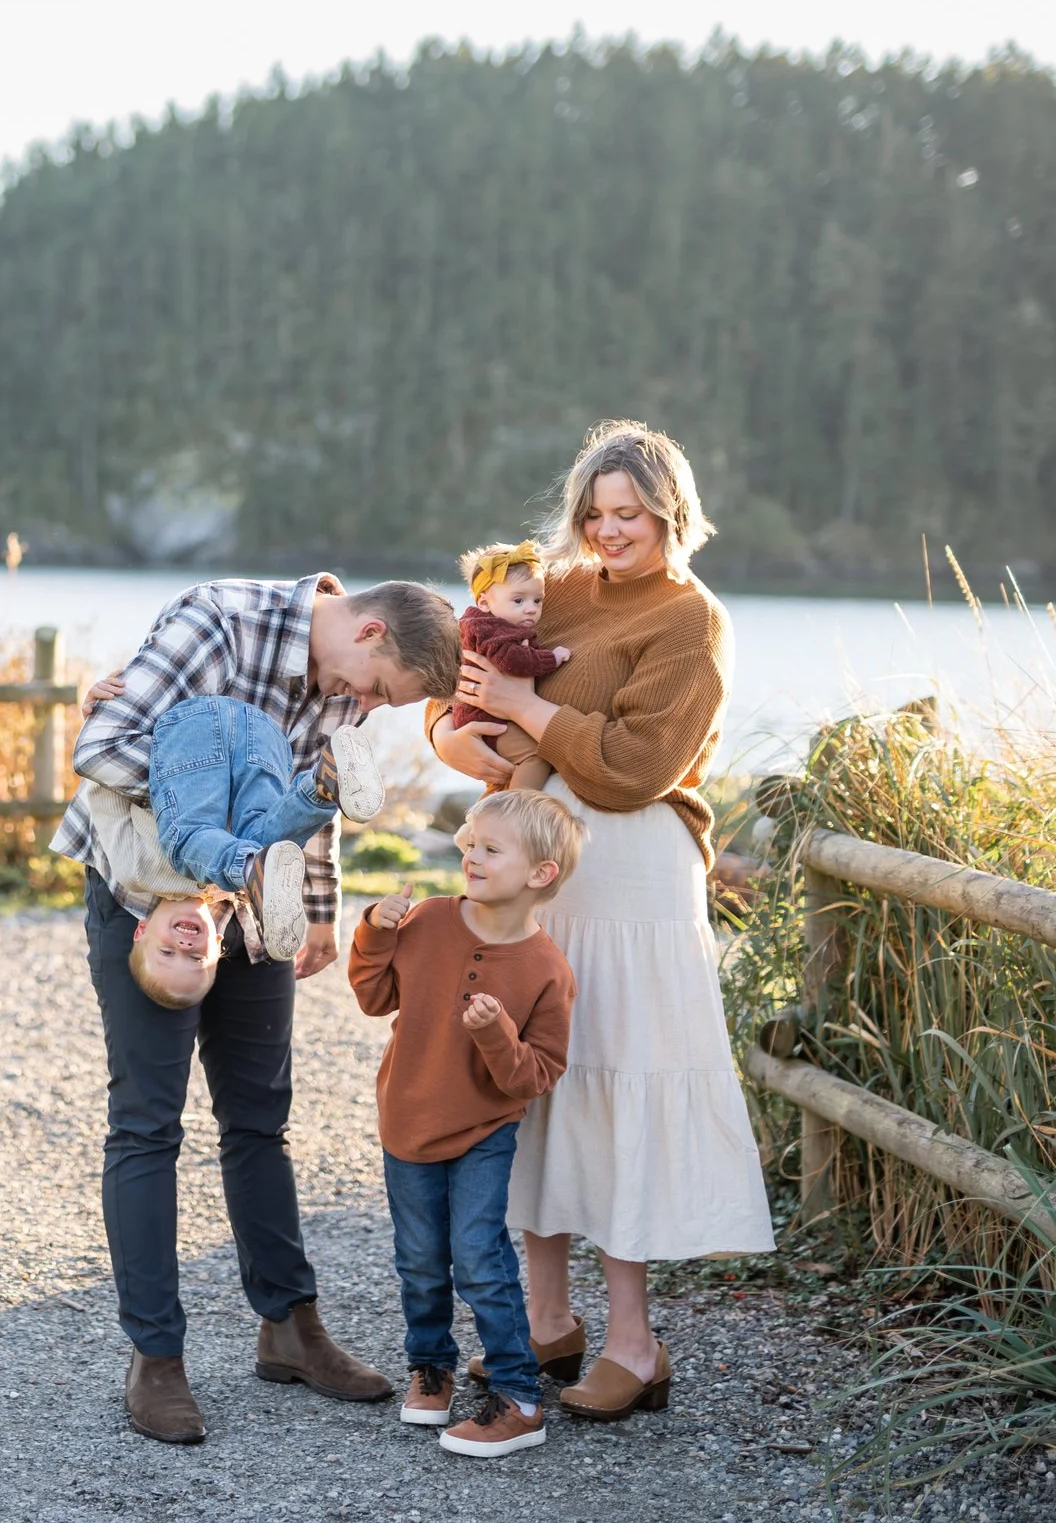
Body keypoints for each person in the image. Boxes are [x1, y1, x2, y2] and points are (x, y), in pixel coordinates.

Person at [54, 574, 462, 1444]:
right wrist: (210, 790)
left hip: (260, 910)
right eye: (379, 690)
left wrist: (319, 905)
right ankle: (155, 1357)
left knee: (260, 1121)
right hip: (151, 903)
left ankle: (289, 1327)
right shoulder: (223, 622)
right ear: (373, 631)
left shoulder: (342, 678)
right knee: (146, 1124)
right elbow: (101, 744)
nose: (368, 705)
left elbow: (318, 799)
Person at [430, 420, 775, 1423]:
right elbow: (463, 690)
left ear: (672, 512)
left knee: (616, 1087)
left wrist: (528, 715)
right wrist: (473, 744)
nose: (610, 529)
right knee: (530, 1079)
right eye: (595, 511)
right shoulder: (557, 589)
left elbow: (633, 766)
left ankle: (635, 1338)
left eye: (631, 513)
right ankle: (544, 1321)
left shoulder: (690, 620)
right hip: (539, 875)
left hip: (631, 879)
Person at [350, 789, 582, 1460]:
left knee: (480, 1258)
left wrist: (497, 1038)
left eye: (490, 847)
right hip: (408, 1119)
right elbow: (372, 996)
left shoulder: (546, 970)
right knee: (419, 1261)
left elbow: (535, 1074)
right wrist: (374, 929)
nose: (471, 856)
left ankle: (519, 1396)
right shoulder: (426, 921)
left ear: (540, 873)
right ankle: (432, 1366)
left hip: (484, 1130)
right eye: (469, 843)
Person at [72, 692, 387, 989]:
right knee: (263, 835)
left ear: (140, 931)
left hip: (193, 731)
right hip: (265, 735)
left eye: (167, 953)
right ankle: (322, 785)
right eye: (196, 958)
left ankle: (254, 864)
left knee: (185, 844)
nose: (183, 946)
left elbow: (104, 796)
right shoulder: (228, 890)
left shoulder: (133, 872)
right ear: (218, 944)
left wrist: (107, 713)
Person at [444, 540, 570, 790]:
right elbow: (513, 661)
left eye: (537, 601)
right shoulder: (491, 631)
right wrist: (552, 658)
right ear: (484, 603)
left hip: (485, 717)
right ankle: (515, 810)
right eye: (518, 601)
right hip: (485, 720)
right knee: (534, 758)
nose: (531, 610)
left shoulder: (483, 623)